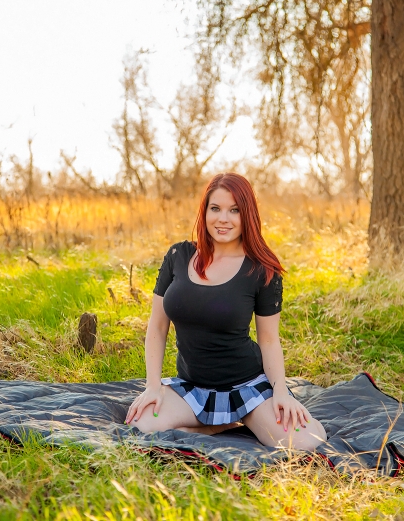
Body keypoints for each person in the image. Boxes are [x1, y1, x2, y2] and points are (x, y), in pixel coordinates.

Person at [124, 173, 326, 450]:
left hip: (247, 386)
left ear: (248, 216)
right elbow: (157, 327)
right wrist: (152, 386)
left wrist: (281, 392)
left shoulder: (262, 270)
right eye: (215, 208)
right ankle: (218, 425)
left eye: (235, 211)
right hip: (192, 387)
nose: (223, 219)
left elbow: (268, 339)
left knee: (306, 441)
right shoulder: (178, 256)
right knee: (142, 423)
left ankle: (243, 416)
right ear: (204, 211)